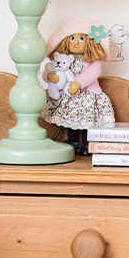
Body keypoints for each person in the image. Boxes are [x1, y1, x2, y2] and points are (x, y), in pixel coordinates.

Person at [41, 17, 115, 155]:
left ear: (90, 42)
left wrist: (78, 83)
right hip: (69, 96)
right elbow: (50, 69)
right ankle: (72, 142)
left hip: (86, 96)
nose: (75, 42)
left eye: (81, 39)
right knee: (71, 118)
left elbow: (94, 72)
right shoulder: (64, 58)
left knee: (87, 120)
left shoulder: (93, 62)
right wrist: (49, 76)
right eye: (72, 38)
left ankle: (86, 143)